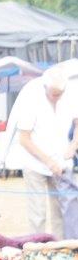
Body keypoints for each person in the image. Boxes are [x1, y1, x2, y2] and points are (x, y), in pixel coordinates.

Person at [5, 67, 78, 237]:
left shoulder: (70, 98)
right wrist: (48, 161)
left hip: (60, 165)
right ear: (45, 88)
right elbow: (24, 139)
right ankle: (39, 252)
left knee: (61, 212)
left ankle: (62, 250)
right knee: (38, 215)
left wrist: (74, 145)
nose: (57, 97)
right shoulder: (31, 101)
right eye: (54, 94)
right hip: (34, 164)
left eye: (60, 93)